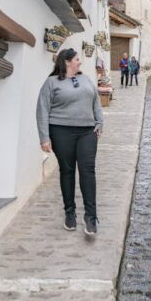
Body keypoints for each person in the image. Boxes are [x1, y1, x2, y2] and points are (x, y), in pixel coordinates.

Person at [37, 48, 103, 235]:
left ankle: (90, 216)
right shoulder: (51, 82)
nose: (79, 62)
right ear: (66, 62)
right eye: (76, 59)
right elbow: (42, 109)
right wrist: (44, 137)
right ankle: (70, 213)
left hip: (87, 132)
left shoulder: (86, 79)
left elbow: (95, 101)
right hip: (61, 131)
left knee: (88, 170)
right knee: (67, 170)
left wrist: (99, 122)